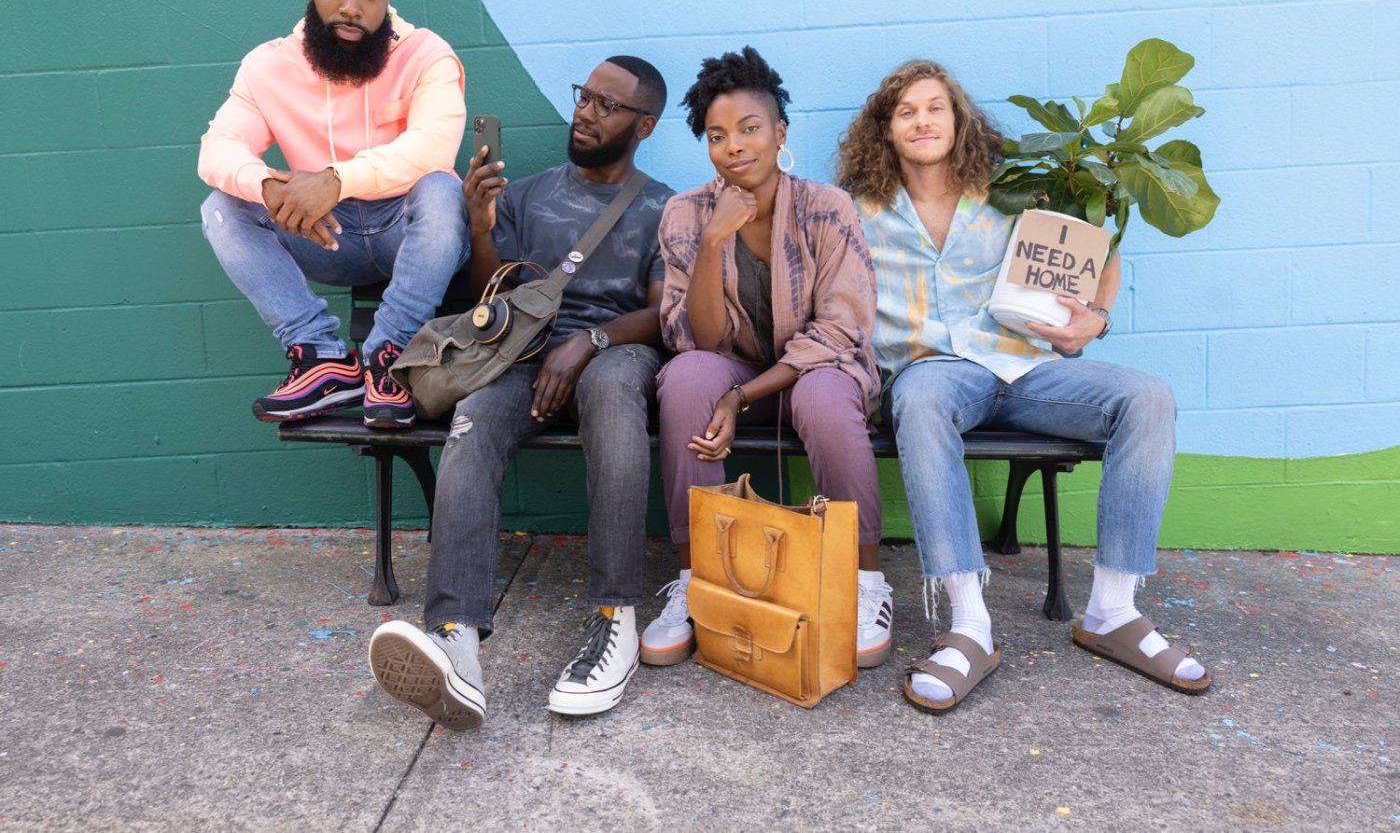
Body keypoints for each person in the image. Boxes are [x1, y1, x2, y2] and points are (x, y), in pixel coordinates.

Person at [838, 59, 1210, 712]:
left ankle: (1113, 612)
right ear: (885, 130)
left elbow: (1095, 250)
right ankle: (969, 625)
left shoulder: (1009, 192)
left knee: (1148, 396)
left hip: (1022, 366)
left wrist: (1094, 317)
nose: (922, 120)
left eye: (935, 107)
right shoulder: (854, 209)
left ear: (959, 120)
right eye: (905, 111)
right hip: (930, 371)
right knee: (919, 400)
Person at [367, 57, 674, 728]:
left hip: (616, 350)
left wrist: (589, 341)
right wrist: (481, 225)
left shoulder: (663, 208)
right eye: (584, 96)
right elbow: (494, 296)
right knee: (474, 418)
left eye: (608, 105)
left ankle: (614, 618)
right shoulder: (527, 195)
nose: (586, 112)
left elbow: (662, 313)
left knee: (613, 396)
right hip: (524, 354)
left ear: (644, 125)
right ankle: (455, 641)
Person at [642, 47, 892, 670]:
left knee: (823, 395)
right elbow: (697, 340)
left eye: (750, 128)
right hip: (733, 371)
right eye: (717, 135)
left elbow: (840, 330)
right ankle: (698, 579)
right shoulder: (685, 213)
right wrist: (713, 240)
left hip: (816, 374)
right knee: (687, 377)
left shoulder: (826, 207)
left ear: (780, 132)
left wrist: (740, 397)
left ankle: (865, 582)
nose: (734, 147)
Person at [198, 0, 468, 429]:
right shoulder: (268, 64)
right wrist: (268, 187)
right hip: (325, 233)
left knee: (441, 188)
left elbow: (434, 147)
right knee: (222, 206)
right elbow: (218, 147)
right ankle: (321, 358)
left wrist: (335, 179)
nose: (351, 6)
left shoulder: (426, 54)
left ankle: (389, 360)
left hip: (409, 232)